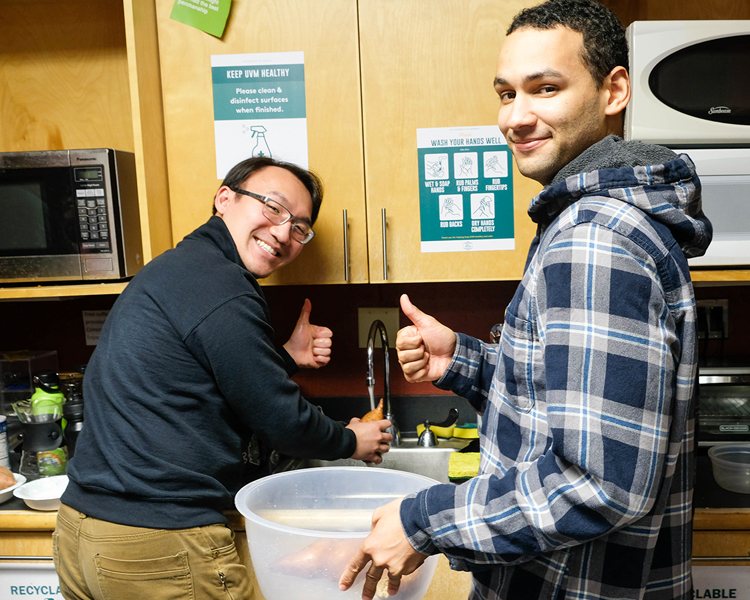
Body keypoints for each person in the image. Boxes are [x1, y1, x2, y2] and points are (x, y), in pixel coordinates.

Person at [339, 1, 712, 599]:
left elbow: (599, 483)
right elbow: (568, 401)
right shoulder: (589, 222)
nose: (516, 115)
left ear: (613, 90)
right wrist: (462, 361)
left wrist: (425, 521)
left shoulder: (594, 239)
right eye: (506, 93)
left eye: (545, 88)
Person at [54, 156, 393, 600]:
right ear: (225, 199)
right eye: (273, 207)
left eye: (299, 227)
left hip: (81, 532)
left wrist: (284, 358)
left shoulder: (178, 268)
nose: (283, 231)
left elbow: (200, 377)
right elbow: (280, 420)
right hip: (159, 542)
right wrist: (351, 441)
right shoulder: (223, 287)